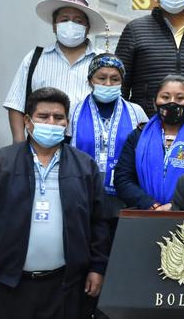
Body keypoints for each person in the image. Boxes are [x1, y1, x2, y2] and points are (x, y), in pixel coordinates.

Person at [0, 87, 109, 319]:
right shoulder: (0, 163)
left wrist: (97, 268)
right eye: (43, 116)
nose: (51, 122)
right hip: (8, 284)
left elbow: (99, 222)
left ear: (67, 123)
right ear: (28, 121)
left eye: (58, 117)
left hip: (66, 286)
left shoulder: (85, 166)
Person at [4, 0, 107, 143]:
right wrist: (19, 144)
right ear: (54, 25)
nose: (71, 25)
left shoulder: (102, 60)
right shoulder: (35, 58)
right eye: (64, 20)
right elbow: (16, 104)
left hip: (89, 143)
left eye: (78, 21)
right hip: (41, 142)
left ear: (87, 27)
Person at [69, 53, 148, 238]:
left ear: (122, 82)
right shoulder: (74, 111)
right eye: (101, 78)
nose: (108, 84)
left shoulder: (136, 112)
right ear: (90, 80)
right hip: (82, 194)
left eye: (115, 79)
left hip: (123, 197)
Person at [114, 75, 184, 211]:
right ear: (155, 102)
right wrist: (151, 205)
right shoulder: (138, 136)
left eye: (180, 98)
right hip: (146, 216)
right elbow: (123, 179)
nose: (172, 102)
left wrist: (175, 205)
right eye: (165, 97)